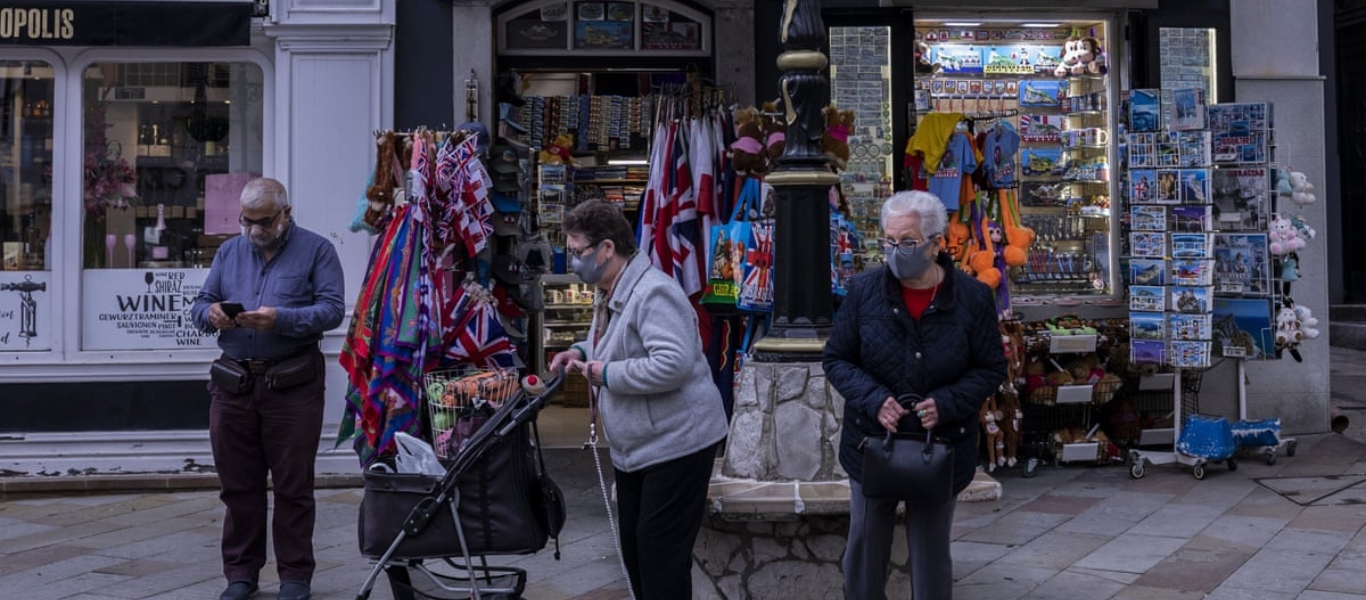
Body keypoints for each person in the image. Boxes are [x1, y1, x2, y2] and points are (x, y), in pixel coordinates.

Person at [823, 190, 1007, 600]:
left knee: (930, 554)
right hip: (871, 443)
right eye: (889, 241)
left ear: (937, 243)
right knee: (865, 551)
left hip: (942, 446)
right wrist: (874, 399)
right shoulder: (864, 290)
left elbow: (991, 368)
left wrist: (946, 402)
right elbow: (836, 359)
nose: (896, 251)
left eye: (907, 242)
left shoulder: (973, 298)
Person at [547, 199, 729, 600]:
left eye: (578, 252)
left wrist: (605, 374)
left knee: (658, 551)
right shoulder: (611, 288)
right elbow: (617, 342)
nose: (574, 261)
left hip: (678, 441)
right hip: (638, 447)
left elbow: (673, 363)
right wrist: (579, 351)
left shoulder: (653, 293)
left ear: (607, 249)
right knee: (634, 546)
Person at [191, 177, 346, 600]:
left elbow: (333, 311)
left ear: (285, 214)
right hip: (234, 382)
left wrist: (280, 319)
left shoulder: (317, 250)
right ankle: (240, 574)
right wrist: (214, 314)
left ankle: (295, 577)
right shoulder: (229, 250)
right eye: (246, 220)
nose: (254, 229)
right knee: (238, 484)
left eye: (263, 221)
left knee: (294, 485)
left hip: (292, 383)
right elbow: (200, 304)